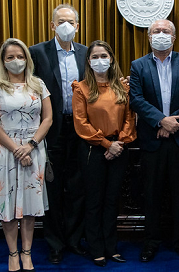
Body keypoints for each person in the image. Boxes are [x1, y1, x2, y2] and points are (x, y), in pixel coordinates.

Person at [129, 19, 179, 263]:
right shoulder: (138, 65)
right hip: (153, 139)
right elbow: (136, 99)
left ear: (174, 37)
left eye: (166, 31)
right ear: (149, 37)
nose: (161, 34)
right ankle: (151, 242)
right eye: (156, 31)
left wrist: (173, 124)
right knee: (151, 193)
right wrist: (161, 121)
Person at [0, 38, 53, 272]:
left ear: (27, 59)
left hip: (34, 149)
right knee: (8, 205)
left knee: (30, 206)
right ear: (3, 60)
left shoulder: (38, 84)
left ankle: (27, 253)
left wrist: (30, 145)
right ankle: (13, 253)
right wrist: (16, 149)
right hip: (5, 151)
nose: (16, 61)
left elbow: (48, 118)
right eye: (10, 57)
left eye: (20, 56)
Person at [29, 3, 88, 263]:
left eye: (71, 21)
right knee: (51, 187)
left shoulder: (87, 53)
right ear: (52, 25)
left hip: (80, 128)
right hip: (49, 128)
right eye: (60, 21)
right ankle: (54, 243)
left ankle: (74, 240)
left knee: (77, 187)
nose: (66, 25)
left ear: (77, 26)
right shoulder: (36, 53)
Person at [71, 40, 137, 267]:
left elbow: (130, 118)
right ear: (88, 61)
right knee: (94, 201)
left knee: (112, 202)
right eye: (95, 57)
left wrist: (119, 143)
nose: (100, 60)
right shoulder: (81, 88)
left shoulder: (122, 87)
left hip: (120, 148)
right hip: (94, 150)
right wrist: (106, 145)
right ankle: (96, 248)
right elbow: (80, 123)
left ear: (111, 59)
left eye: (104, 56)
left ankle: (111, 247)